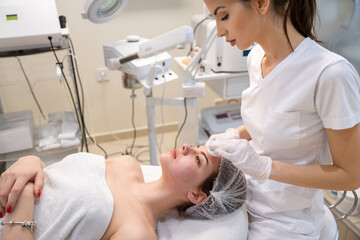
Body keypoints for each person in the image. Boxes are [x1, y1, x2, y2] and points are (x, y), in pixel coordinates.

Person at [203, 0, 360, 239]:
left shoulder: (330, 74)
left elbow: (350, 176)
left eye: (223, 16)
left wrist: (265, 168)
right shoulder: (256, 58)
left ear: (261, 3)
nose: (219, 30)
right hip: (249, 200)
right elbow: (273, 123)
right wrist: (236, 134)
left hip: (291, 222)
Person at [0, 144, 247, 240]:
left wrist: (23, 199)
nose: (186, 147)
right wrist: (31, 161)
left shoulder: (138, 232)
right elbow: (60, 182)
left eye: (198, 159)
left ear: (196, 196)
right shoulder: (127, 164)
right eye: (196, 146)